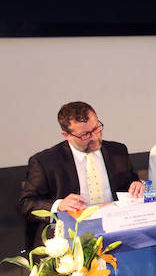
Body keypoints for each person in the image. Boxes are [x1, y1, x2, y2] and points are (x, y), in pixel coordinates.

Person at [17, 102, 144, 248]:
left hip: (117, 229)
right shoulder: (45, 162)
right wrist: (59, 205)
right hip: (71, 236)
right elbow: (25, 204)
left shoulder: (117, 151)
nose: (95, 138)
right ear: (67, 135)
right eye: (85, 135)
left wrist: (136, 184)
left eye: (96, 128)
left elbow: (130, 182)